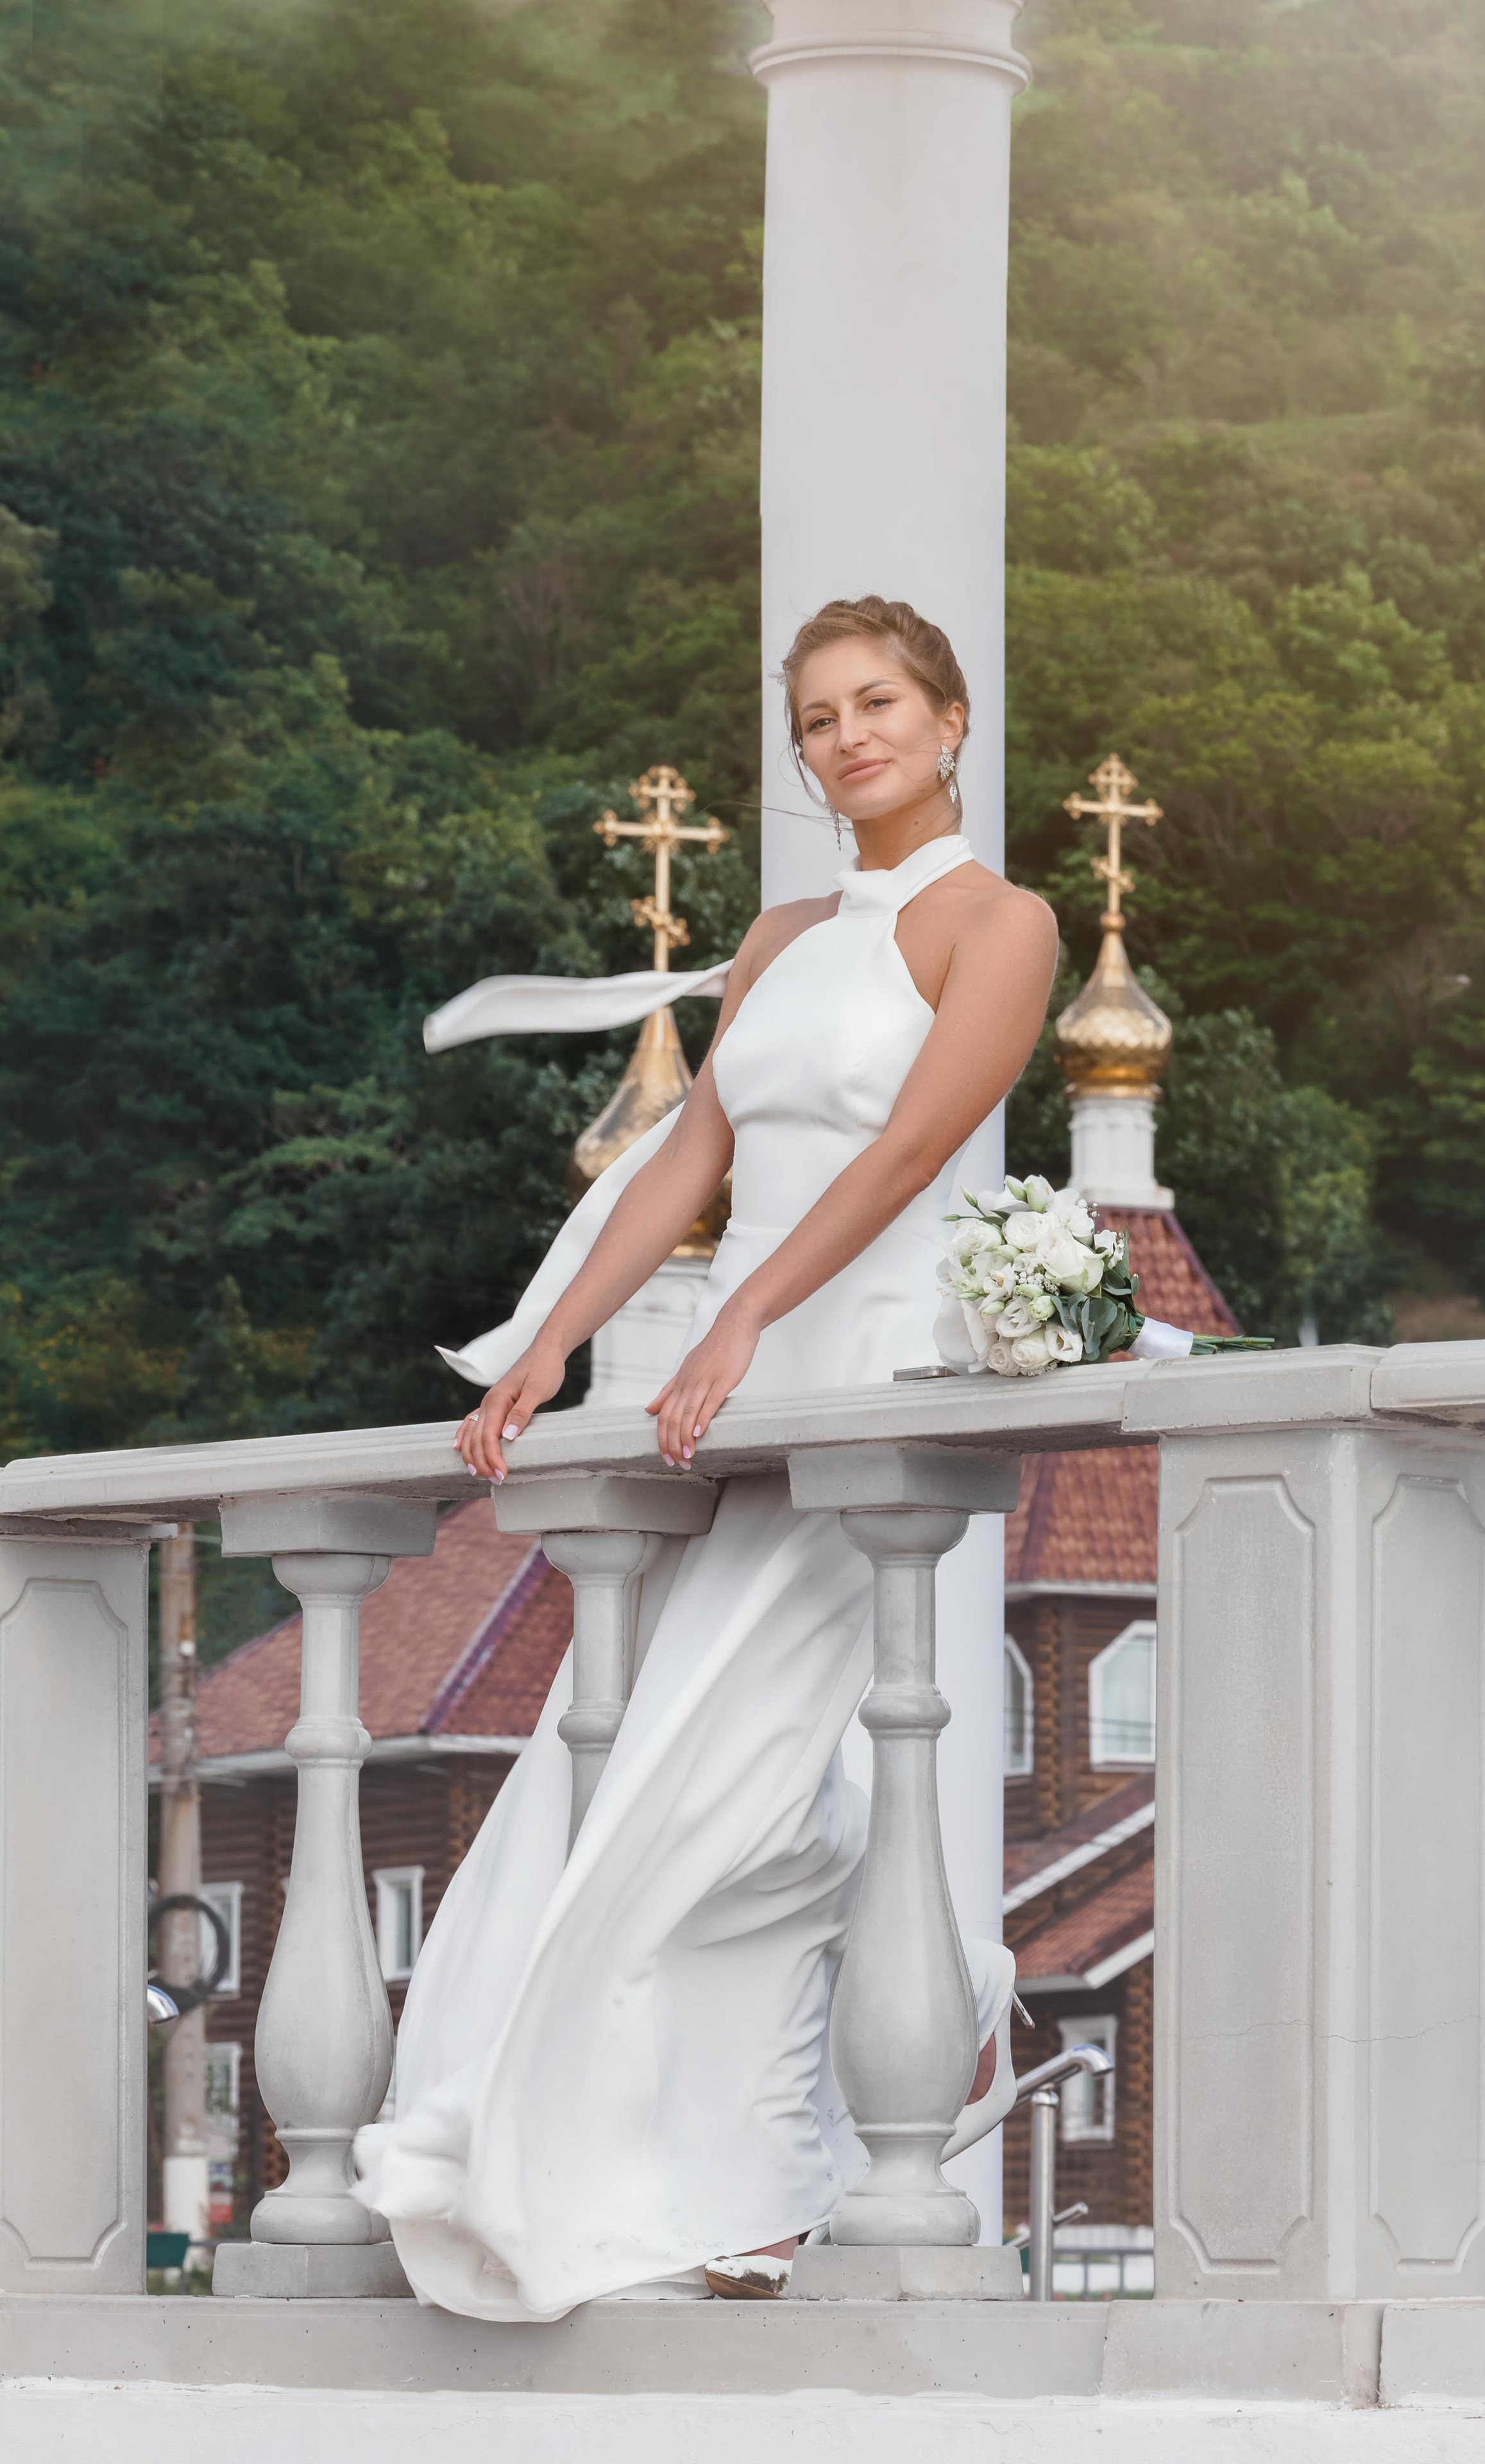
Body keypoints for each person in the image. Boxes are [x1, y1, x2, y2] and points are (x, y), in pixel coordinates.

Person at [352, 595, 1058, 2316]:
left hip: (868, 1378)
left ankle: (735, 2167)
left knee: (705, 1776)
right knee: (715, 1778)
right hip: (733, 1403)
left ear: (951, 719)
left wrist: (749, 1320)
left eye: (878, 702)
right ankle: (828, 2115)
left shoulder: (1004, 922)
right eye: (817, 718)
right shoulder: (778, 932)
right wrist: (545, 1342)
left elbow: (905, 1154)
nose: (848, 737)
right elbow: (688, 1164)